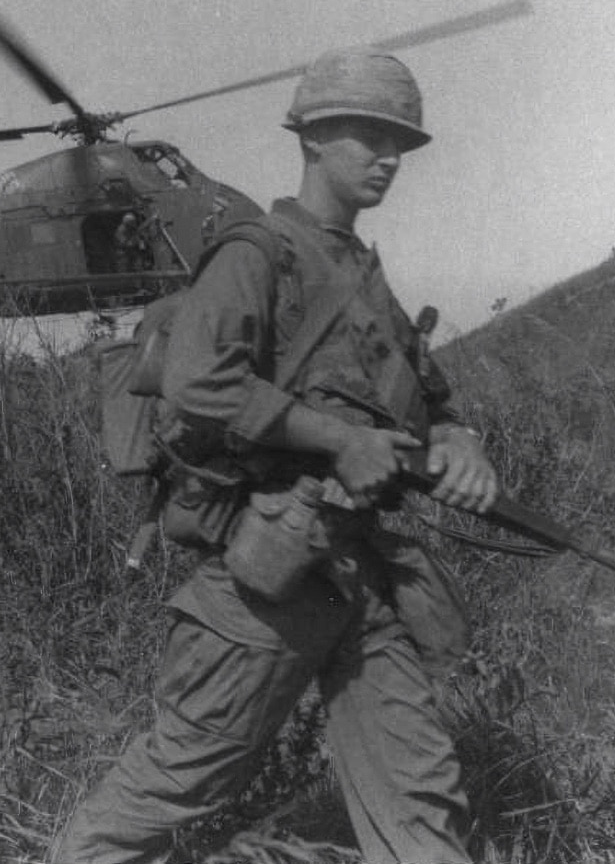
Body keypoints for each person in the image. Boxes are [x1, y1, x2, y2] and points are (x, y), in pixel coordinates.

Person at [51, 46, 499, 864]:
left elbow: (424, 398)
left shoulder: (361, 270)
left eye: (400, 143)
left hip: (362, 574)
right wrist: (338, 440)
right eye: (369, 137)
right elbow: (196, 384)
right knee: (184, 773)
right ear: (314, 140)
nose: (390, 159)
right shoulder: (256, 250)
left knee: (420, 794)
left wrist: (458, 437)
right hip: (269, 576)